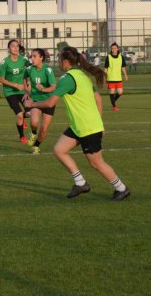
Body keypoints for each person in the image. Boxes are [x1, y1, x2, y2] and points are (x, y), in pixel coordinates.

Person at [23, 46, 130, 201]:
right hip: (80, 126)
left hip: (87, 127)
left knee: (96, 163)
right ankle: (80, 183)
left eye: (59, 59)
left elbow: (50, 103)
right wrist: (99, 122)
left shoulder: (67, 79)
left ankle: (121, 188)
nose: (58, 62)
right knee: (59, 149)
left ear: (65, 61)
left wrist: (31, 105)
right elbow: (98, 98)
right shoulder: (81, 75)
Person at [23, 48, 57, 154]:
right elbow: (24, 78)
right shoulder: (29, 69)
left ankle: (36, 145)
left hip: (48, 101)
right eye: (31, 56)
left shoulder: (48, 70)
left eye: (34, 56)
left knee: (44, 129)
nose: (32, 58)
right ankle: (33, 133)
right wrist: (27, 92)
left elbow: (53, 87)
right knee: (34, 122)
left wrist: (44, 89)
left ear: (41, 58)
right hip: (36, 100)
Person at [0, 39, 30, 143]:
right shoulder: (5, 62)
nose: (15, 48)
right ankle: (22, 137)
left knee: (29, 113)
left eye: (17, 46)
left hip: (22, 91)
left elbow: (32, 69)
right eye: (13, 46)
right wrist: (15, 85)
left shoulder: (24, 60)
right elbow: (1, 79)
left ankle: (23, 119)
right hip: (10, 92)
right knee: (19, 115)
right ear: (9, 48)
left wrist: (29, 83)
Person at [104, 42, 128, 111]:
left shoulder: (121, 57)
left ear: (117, 49)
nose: (113, 49)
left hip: (118, 78)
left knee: (120, 92)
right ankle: (114, 106)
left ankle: (113, 100)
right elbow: (106, 68)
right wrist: (105, 78)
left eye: (115, 48)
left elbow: (123, 67)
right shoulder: (108, 57)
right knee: (112, 91)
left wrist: (125, 75)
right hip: (111, 78)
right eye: (112, 48)